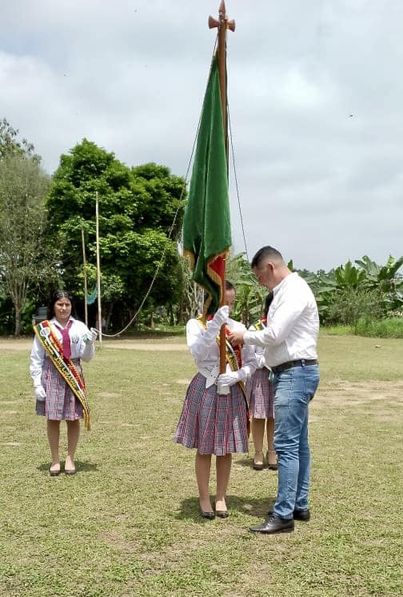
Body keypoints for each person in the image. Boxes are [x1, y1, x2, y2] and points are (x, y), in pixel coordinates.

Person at [229, 246, 320, 534]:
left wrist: (244, 335)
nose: (260, 283)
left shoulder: (293, 291)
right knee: (298, 443)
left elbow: (275, 334)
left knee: (286, 446)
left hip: (294, 372)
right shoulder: (287, 291)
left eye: (259, 277)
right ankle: (298, 504)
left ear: (270, 267)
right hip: (295, 371)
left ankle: (283, 515)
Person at [174, 281, 257, 519]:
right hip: (206, 386)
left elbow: (253, 361)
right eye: (224, 303)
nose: (228, 308)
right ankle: (204, 497)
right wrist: (215, 326)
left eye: (231, 303)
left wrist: (238, 375)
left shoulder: (239, 328)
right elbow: (197, 352)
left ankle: (221, 496)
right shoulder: (196, 325)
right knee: (205, 447)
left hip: (231, 389)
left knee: (225, 447)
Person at [30, 290, 97, 476]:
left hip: (73, 373)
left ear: (71, 306)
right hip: (52, 374)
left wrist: (90, 343)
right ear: (53, 306)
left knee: (73, 418)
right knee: (53, 418)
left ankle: (70, 458)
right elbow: (36, 357)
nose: (64, 308)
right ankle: (54, 460)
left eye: (67, 304)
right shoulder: (44, 329)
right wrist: (37, 383)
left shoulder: (80, 327)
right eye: (60, 304)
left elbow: (87, 357)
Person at [247, 292, 277, 471]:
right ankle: (258, 452)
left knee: (274, 415)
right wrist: (266, 361)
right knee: (258, 415)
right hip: (260, 376)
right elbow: (250, 356)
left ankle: (272, 451)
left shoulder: (283, 327)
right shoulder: (256, 328)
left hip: (278, 375)